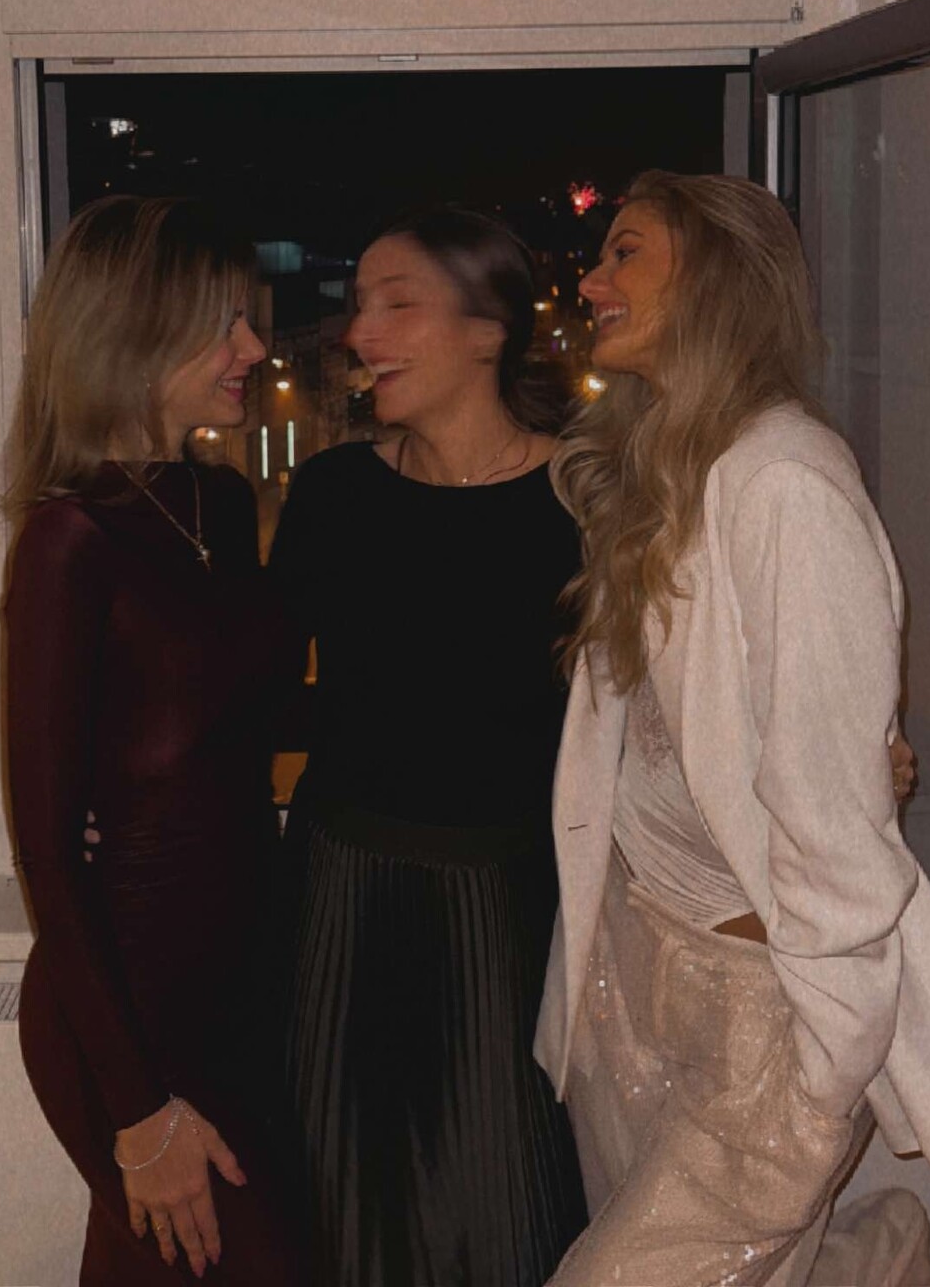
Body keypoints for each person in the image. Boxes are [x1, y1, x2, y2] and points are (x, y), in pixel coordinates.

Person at [535, 170, 930, 1287]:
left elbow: (834, 819)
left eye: (625, 252)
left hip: (760, 1011)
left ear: (717, 277)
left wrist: (826, 1065)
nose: (593, 281)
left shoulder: (785, 483)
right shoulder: (661, 469)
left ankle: (889, 1258)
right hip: (631, 967)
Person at [269, 207, 588, 1287]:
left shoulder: (587, 502)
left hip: (514, 918)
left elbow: (668, 707)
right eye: (358, 304)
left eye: (397, 303)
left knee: (514, 1224)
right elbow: (261, 701)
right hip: (338, 906)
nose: (361, 332)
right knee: (345, 1224)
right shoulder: (332, 494)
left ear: (489, 328)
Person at [4, 195, 304, 1286]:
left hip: (239, 991)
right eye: (223, 324)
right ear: (133, 334)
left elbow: (240, 724)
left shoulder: (217, 501)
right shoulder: (68, 538)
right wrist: (136, 1111)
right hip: (127, 1013)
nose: (254, 350)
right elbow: (46, 851)